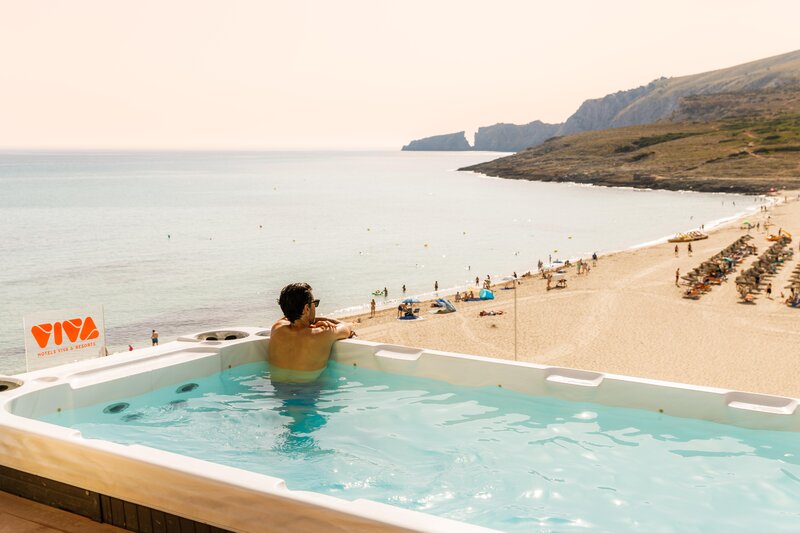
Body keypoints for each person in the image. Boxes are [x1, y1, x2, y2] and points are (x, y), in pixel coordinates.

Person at [269, 283, 355, 383]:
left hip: (278, 389)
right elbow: (347, 327)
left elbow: (288, 317)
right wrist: (324, 321)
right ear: (307, 308)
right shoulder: (321, 334)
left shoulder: (277, 329)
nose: (315, 307)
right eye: (315, 303)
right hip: (308, 391)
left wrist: (310, 320)